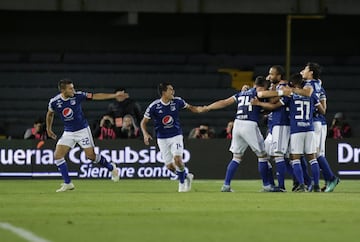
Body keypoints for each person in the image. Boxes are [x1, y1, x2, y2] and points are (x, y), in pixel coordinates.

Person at [46, 79, 128, 192]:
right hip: (68, 132)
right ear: (62, 90)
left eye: (73, 87)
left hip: (82, 130)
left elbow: (95, 96)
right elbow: (50, 114)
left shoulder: (78, 96)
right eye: (70, 88)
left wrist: (114, 95)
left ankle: (111, 168)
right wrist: (48, 129)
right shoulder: (54, 102)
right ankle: (68, 183)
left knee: (91, 156)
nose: (73, 90)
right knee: (58, 155)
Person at [199, 76, 274, 192]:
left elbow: (224, 102)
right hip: (249, 124)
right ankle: (267, 186)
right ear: (264, 86)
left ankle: (226, 185)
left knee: (237, 157)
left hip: (237, 124)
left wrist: (208, 107)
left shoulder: (242, 93)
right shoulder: (259, 92)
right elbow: (266, 95)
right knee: (262, 156)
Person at [256, 73, 324, 192]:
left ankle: (300, 185)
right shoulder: (311, 94)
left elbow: (274, 105)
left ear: (292, 84)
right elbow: (322, 110)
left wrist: (259, 104)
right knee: (312, 158)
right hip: (309, 129)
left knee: (294, 158)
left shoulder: (291, 95)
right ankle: (316, 185)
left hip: (296, 129)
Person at [140, 82, 201, 192]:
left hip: (176, 135)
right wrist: (145, 133)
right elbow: (143, 122)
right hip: (162, 138)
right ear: (164, 92)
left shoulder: (177, 101)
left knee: (177, 159)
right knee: (170, 167)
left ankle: (182, 184)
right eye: (170, 90)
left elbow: (190, 107)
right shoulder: (154, 106)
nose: (173, 92)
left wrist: (199, 109)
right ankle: (186, 176)